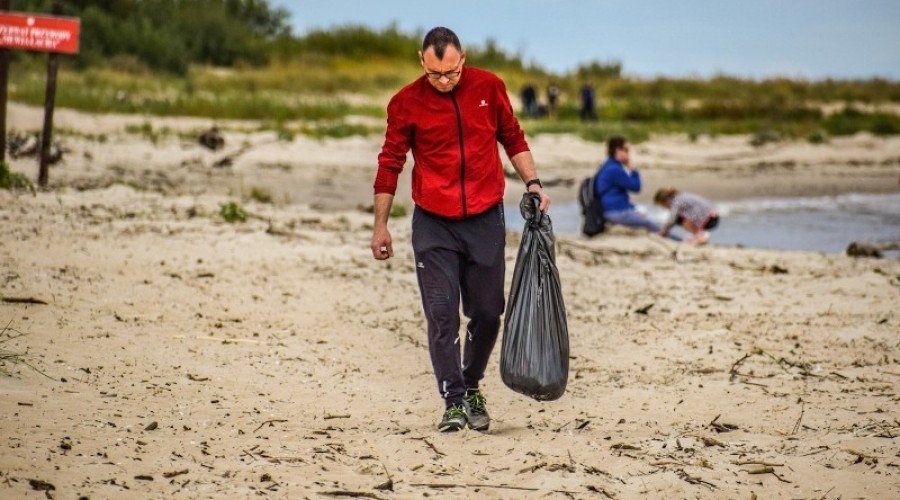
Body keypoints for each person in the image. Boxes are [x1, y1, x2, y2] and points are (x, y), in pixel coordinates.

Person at [370, 27, 551, 433]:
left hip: (485, 217)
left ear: (463, 58)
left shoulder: (489, 86)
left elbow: (512, 137)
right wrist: (380, 226)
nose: (445, 82)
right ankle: (453, 399)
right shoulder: (405, 103)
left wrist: (533, 184)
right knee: (441, 315)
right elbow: (390, 163)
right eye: (436, 75)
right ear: (422, 62)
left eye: (451, 73)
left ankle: (471, 386)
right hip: (433, 222)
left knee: (488, 313)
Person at [595, 136, 681, 241]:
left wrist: (633, 208)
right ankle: (679, 240)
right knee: (649, 222)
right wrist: (633, 169)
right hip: (614, 212)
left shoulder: (607, 165)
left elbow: (617, 196)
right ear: (618, 150)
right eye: (626, 150)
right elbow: (636, 187)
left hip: (610, 210)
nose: (629, 154)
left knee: (644, 213)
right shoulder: (614, 169)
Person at [653, 187, 719, 245]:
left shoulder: (676, 202)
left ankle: (700, 236)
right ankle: (698, 235)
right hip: (713, 214)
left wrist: (664, 230)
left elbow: (672, 218)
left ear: (665, 201)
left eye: (662, 205)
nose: (663, 208)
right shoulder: (681, 197)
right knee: (682, 218)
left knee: (682, 220)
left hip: (709, 217)